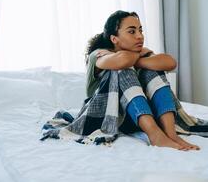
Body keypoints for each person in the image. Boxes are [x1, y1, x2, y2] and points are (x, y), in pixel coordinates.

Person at [85, 10, 200, 151]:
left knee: (151, 68)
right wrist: (140, 59)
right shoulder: (98, 55)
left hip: (137, 117)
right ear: (114, 39)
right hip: (106, 118)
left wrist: (140, 60)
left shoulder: (136, 53)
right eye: (132, 32)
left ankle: (170, 133)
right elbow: (123, 61)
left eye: (140, 30)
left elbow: (170, 62)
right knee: (123, 69)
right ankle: (155, 134)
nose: (140, 36)